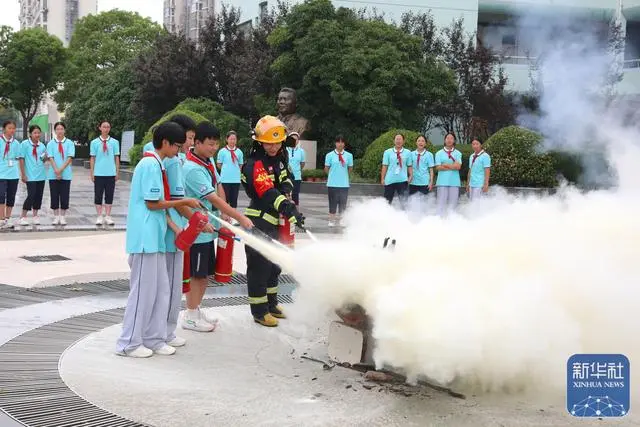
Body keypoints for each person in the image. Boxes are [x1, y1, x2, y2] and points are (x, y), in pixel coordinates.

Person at [115, 121, 203, 358]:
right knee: (143, 292)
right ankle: (128, 343)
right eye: (177, 145)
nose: (180, 149)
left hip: (154, 237)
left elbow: (161, 208)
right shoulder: (150, 164)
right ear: (165, 143)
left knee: (161, 290)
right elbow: (153, 204)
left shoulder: (159, 164)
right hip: (144, 239)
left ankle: (154, 337)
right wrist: (185, 202)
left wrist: (175, 226)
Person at [182, 121, 253, 332]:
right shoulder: (192, 169)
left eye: (216, 144)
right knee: (198, 275)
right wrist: (239, 216)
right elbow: (213, 199)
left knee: (204, 275)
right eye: (210, 144)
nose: (213, 148)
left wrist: (224, 212)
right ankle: (191, 315)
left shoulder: (207, 160)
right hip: (196, 232)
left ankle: (194, 310)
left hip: (208, 229)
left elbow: (218, 185)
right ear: (197, 142)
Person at [241, 115, 305, 327]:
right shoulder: (254, 164)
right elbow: (266, 192)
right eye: (269, 142)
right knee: (260, 267)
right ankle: (259, 311)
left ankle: (272, 304)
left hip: (276, 222)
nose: (273, 146)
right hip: (259, 222)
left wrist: (287, 190)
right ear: (260, 142)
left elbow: (287, 177)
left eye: (277, 142)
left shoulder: (279, 159)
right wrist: (288, 206)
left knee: (274, 266)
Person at [90, 120, 120, 226]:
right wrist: (92, 172)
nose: (106, 129)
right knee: (98, 195)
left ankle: (107, 216)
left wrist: (117, 171)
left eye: (108, 127)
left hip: (110, 173)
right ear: (100, 128)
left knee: (109, 195)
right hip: (98, 173)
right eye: (104, 127)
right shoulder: (94, 142)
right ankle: (99, 216)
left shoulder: (115, 142)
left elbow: (116, 157)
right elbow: (92, 158)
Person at [17, 125, 47, 226]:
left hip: (41, 175)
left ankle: (35, 216)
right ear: (30, 134)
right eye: (35, 132)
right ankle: (23, 216)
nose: (37, 134)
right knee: (31, 195)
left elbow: (43, 160)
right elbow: (21, 159)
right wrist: (23, 174)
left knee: (39, 196)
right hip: (30, 175)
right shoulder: (24, 144)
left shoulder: (42, 145)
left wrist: (46, 157)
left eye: (39, 132)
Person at [46, 122, 75, 225]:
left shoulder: (70, 143)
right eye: (57, 129)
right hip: (53, 174)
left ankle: (62, 217)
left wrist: (61, 170)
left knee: (64, 195)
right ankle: (55, 216)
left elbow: (70, 158)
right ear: (55, 131)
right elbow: (50, 157)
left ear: (64, 130)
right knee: (54, 195)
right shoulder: (50, 144)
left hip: (66, 174)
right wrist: (56, 171)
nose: (60, 131)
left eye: (61, 129)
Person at [324, 135, 353, 227]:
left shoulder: (349, 155)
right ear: (335, 143)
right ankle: (331, 220)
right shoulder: (329, 155)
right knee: (332, 202)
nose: (340, 144)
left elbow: (350, 168)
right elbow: (326, 168)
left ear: (344, 144)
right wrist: (333, 175)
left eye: (342, 142)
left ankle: (341, 220)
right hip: (332, 183)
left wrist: (343, 176)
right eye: (338, 142)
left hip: (344, 184)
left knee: (343, 203)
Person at [435, 132, 463, 216]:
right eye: (447, 138)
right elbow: (438, 167)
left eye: (451, 138)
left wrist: (446, 165)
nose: (449, 140)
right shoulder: (438, 153)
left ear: (454, 140)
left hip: (454, 182)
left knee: (453, 204)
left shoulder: (458, 153)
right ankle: (440, 221)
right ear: (444, 140)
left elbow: (458, 167)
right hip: (442, 181)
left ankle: (452, 221)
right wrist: (452, 166)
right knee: (441, 203)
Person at [381, 134, 413, 206]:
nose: (398, 141)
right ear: (394, 141)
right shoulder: (387, 152)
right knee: (387, 203)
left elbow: (409, 165)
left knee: (404, 203)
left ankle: (404, 216)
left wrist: (411, 176)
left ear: (403, 141)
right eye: (397, 139)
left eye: (400, 139)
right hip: (389, 180)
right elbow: (384, 166)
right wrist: (382, 178)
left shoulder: (408, 152)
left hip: (402, 180)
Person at [216, 131, 244, 208]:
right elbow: (219, 164)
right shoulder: (222, 151)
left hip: (236, 180)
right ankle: (225, 216)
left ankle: (234, 217)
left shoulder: (239, 152)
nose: (232, 141)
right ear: (227, 139)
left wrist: (235, 172)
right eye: (231, 139)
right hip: (225, 180)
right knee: (225, 200)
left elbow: (240, 165)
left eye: (234, 139)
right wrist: (227, 170)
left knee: (234, 200)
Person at [0, 120, 20, 229]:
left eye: (13, 128)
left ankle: (8, 218)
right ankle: (1, 219)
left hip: (13, 174)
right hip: (1, 174)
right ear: (4, 129)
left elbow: (18, 158)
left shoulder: (16, 143)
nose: (12, 130)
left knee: (11, 197)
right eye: (9, 128)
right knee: (1, 196)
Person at [286, 132, 305, 206]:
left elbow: (302, 163)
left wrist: (297, 170)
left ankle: (296, 213)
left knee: (295, 195)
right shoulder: (285, 149)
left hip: (297, 177)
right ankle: (284, 213)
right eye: (292, 139)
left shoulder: (301, 151)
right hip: (286, 176)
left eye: (296, 139)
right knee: (286, 195)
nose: (294, 140)